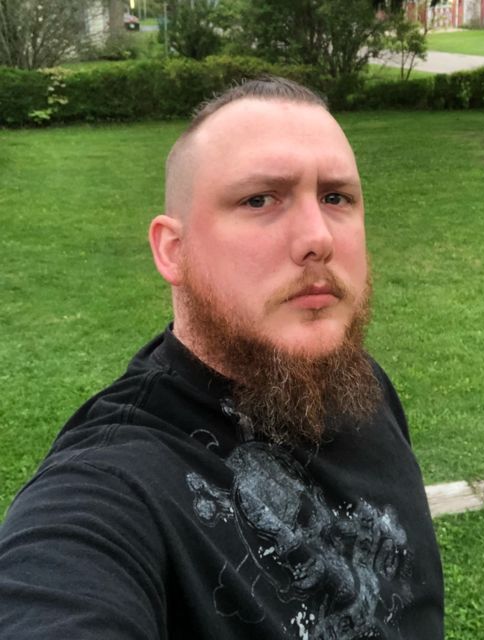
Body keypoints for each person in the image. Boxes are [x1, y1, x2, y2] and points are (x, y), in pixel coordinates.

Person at [0, 77, 444, 639]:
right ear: (173, 250)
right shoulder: (114, 486)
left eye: (336, 198)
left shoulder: (364, 386)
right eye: (259, 199)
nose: (318, 238)